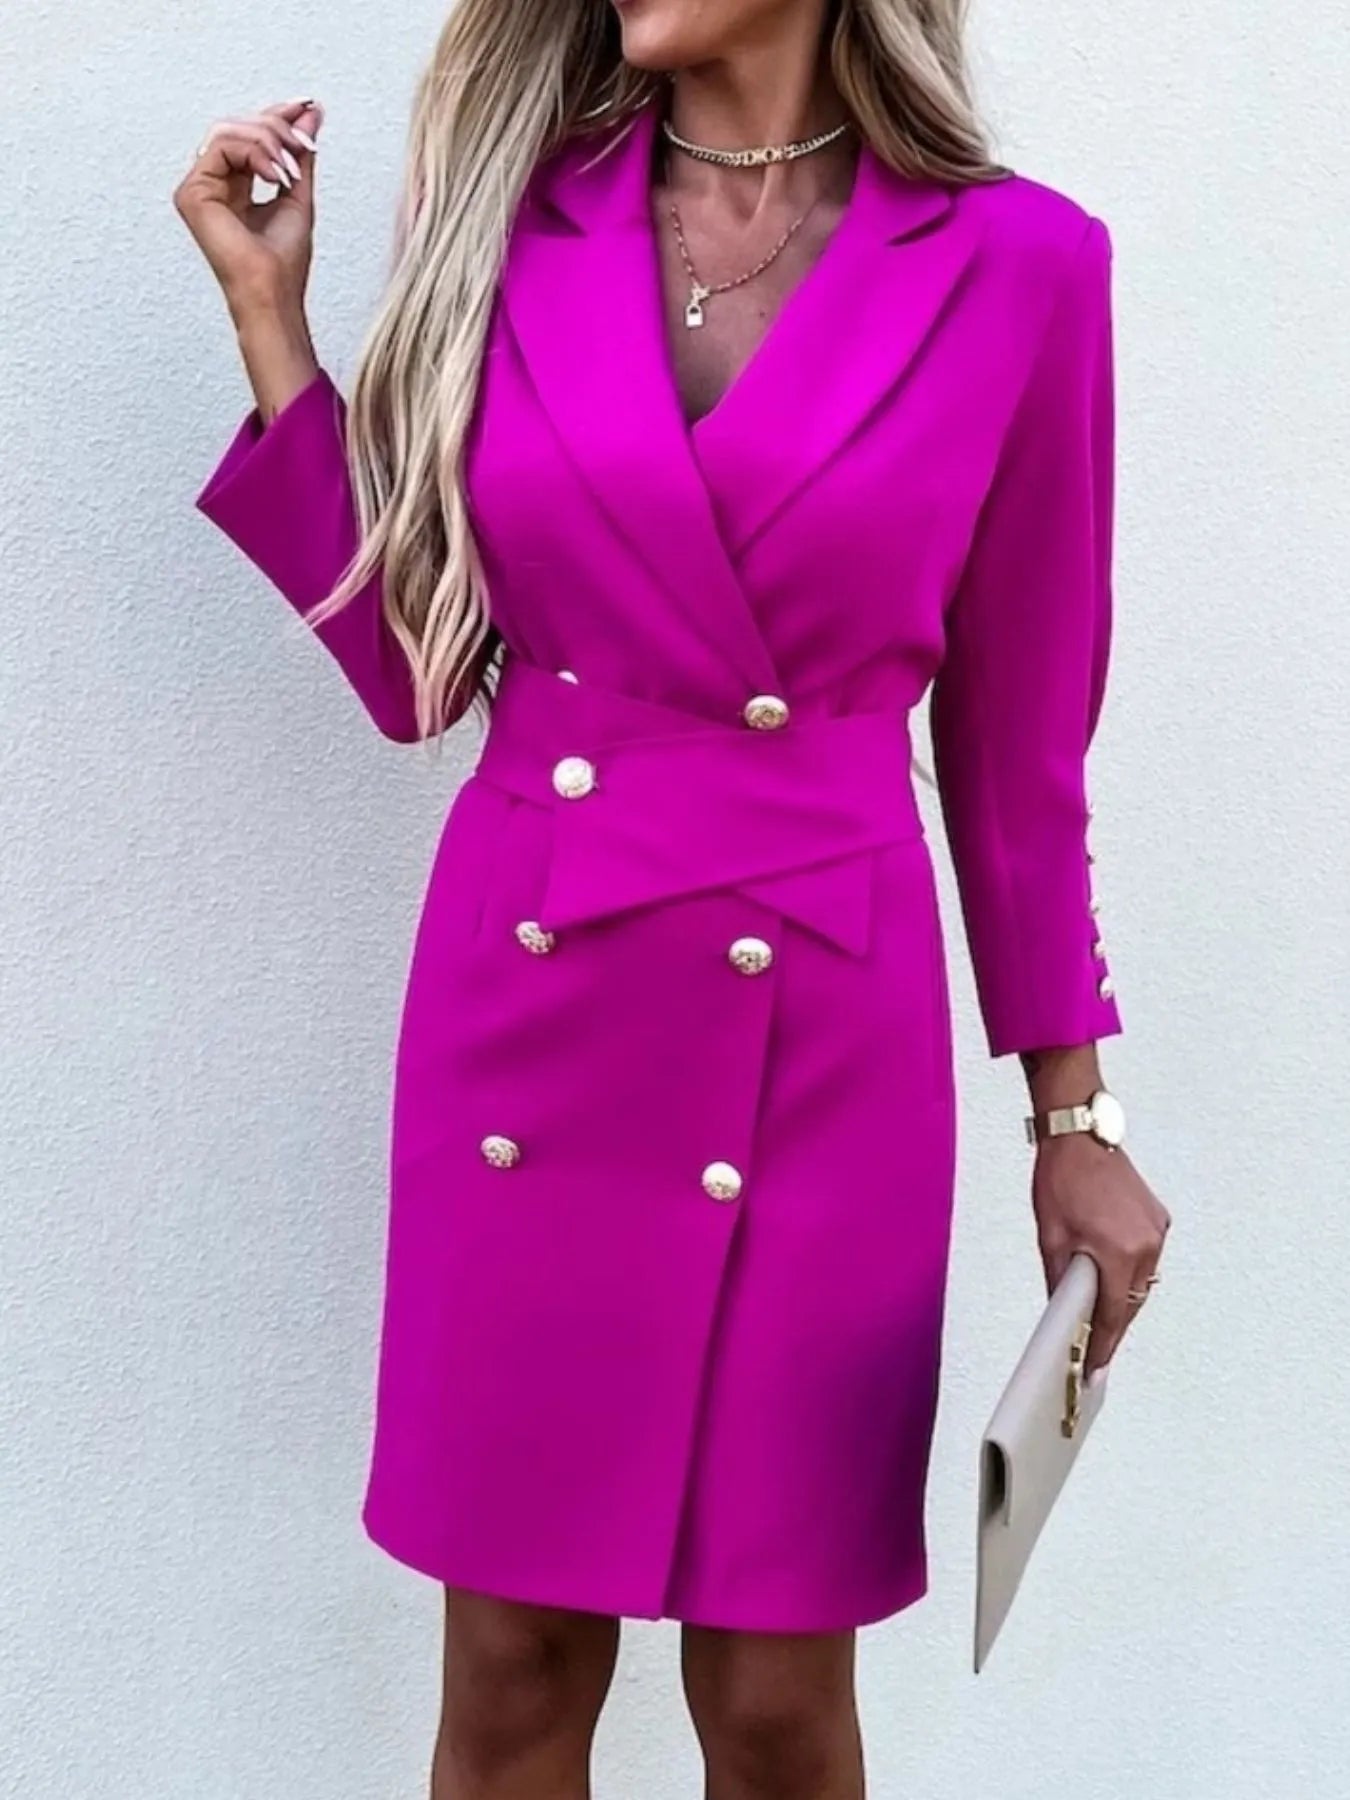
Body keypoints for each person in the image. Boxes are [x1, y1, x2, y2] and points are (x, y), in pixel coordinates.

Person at [174, 1, 1171, 1794]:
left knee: (779, 1701)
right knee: (511, 1672)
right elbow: (416, 675)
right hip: (535, 1010)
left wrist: (1072, 1117)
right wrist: (272, 328)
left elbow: (1019, 758)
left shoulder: (1022, 267)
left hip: (826, 1040)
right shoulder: (508, 216)